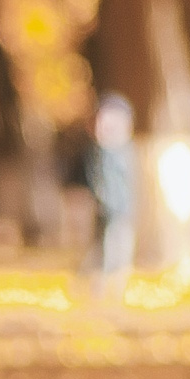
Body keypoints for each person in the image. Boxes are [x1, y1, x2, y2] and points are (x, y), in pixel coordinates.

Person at [68, 91, 137, 283]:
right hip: (104, 208)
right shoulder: (95, 154)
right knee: (101, 246)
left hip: (122, 209)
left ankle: (113, 280)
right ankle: (95, 280)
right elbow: (92, 180)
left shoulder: (126, 152)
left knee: (118, 245)